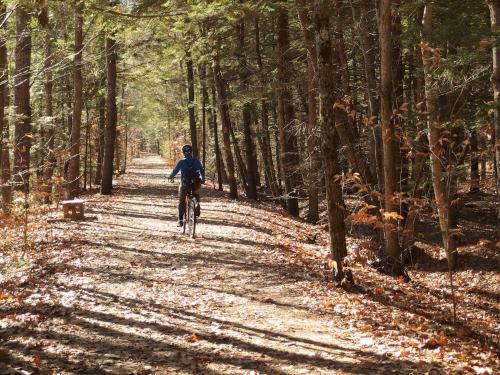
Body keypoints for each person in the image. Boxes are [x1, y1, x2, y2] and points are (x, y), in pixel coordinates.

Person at [168, 144, 205, 226]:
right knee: (196, 194)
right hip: (195, 183)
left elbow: (175, 171)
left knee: (181, 201)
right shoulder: (196, 161)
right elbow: (201, 171)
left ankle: (180, 219)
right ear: (191, 152)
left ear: (183, 152)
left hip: (185, 184)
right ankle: (196, 204)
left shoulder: (181, 162)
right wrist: (202, 179)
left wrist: (171, 177)